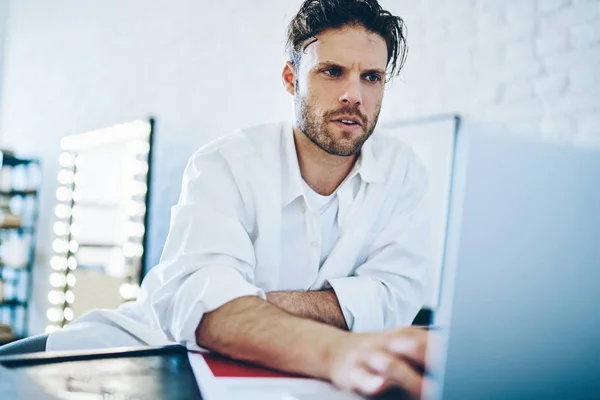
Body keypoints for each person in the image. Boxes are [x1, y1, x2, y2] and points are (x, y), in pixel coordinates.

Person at [3, 0, 435, 397]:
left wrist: (252, 304)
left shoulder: (404, 172)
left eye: (371, 77)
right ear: (291, 79)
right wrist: (335, 348)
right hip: (151, 355)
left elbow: (394, 298)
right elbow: (206, 307)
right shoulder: (225, 164)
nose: (353, 95)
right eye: (332, 71)